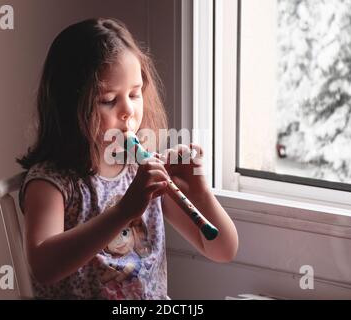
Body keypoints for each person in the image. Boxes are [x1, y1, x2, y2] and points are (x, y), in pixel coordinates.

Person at [17, 18, 238, 300]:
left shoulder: (142, 169)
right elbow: (44, 267)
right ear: (69, 108)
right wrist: (124, 210)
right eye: (109, 100)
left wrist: (200, 192)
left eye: (134, 94)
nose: (128, 111)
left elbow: (222, 249)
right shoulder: (51, 181)